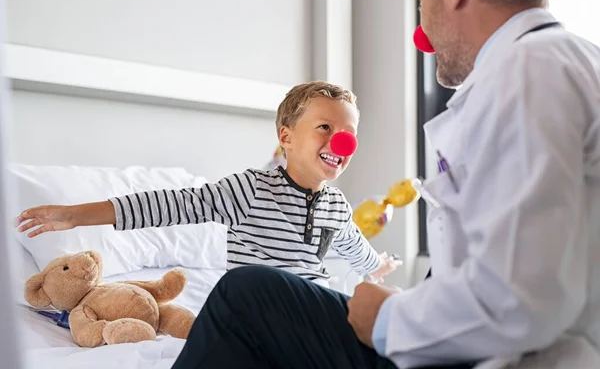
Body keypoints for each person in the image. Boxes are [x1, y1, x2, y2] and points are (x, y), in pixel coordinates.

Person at [167, 0, 600, 368]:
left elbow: (519, 299)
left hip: (491, 357)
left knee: (244, 294)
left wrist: (388, 316)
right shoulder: (574, 60)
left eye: (420, 1)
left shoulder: (526, 73)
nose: (423, 31)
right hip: (492, 344)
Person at [14, 81, 398, 287]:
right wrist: (76, 215)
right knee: (242, 293)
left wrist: (376, 267)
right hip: (258, 299)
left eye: (348, 133)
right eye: (325, 128)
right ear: (287, 137)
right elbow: (169, 204)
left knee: (364, 309)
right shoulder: (250, 189)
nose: (339, 142)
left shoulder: (336, 206)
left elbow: (353, 246)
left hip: (310, 302)